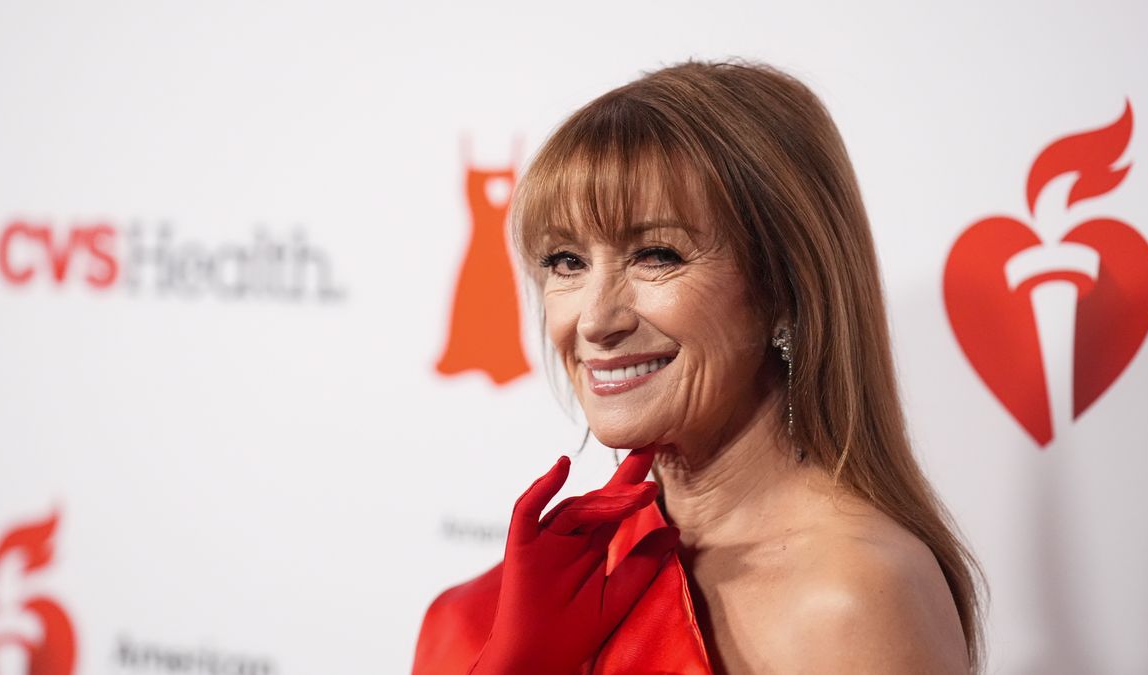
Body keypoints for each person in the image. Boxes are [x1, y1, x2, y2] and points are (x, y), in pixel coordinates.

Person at [413, 59, 984, 674]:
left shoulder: (849, 601)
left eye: (656, 255)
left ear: (784, 287)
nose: (595, 321)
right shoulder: (499, 610)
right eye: (566, 261)